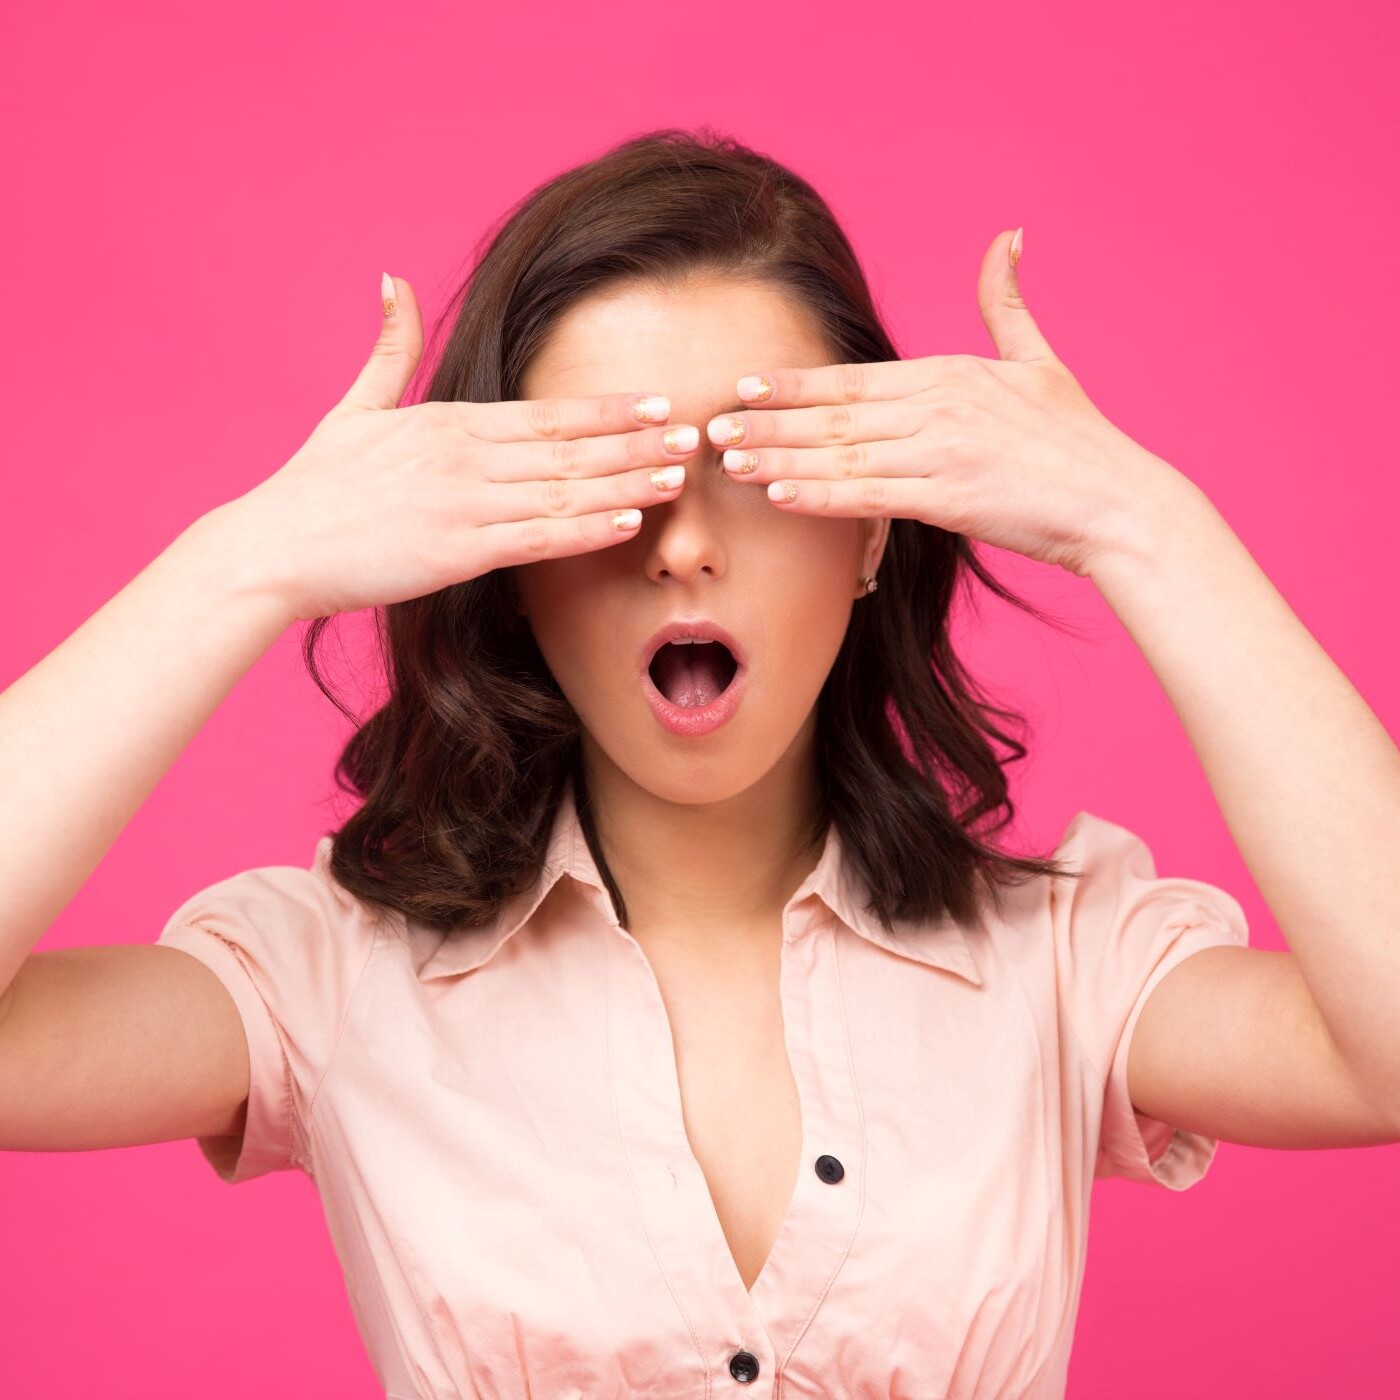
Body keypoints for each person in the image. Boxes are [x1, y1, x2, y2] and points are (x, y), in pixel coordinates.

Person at [2, 129, 1397, 1399]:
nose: (681, 544)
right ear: (507, 560)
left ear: (868, 535)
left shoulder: (1062, 958)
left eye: (750, 465)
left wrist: (1145, 523)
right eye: (611, 482)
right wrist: (244, 564)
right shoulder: (334, 974)